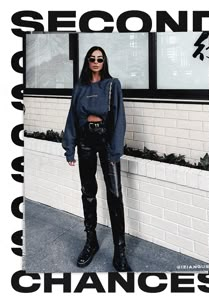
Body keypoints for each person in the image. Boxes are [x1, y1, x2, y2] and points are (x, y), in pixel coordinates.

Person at [62, 46, 132, 272]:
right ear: (87, 61)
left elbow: (119, 118)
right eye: (92, 58)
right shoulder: (80, 87)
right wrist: (69, 148)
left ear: (104, 62)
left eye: (100, 59)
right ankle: (90, 242)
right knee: (88, 192)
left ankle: (119, 251)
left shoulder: (112, 85)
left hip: (106, 140)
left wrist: (115, 149)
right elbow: (72, 118)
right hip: (85, 142)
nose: (95, 62)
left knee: (115, 194)